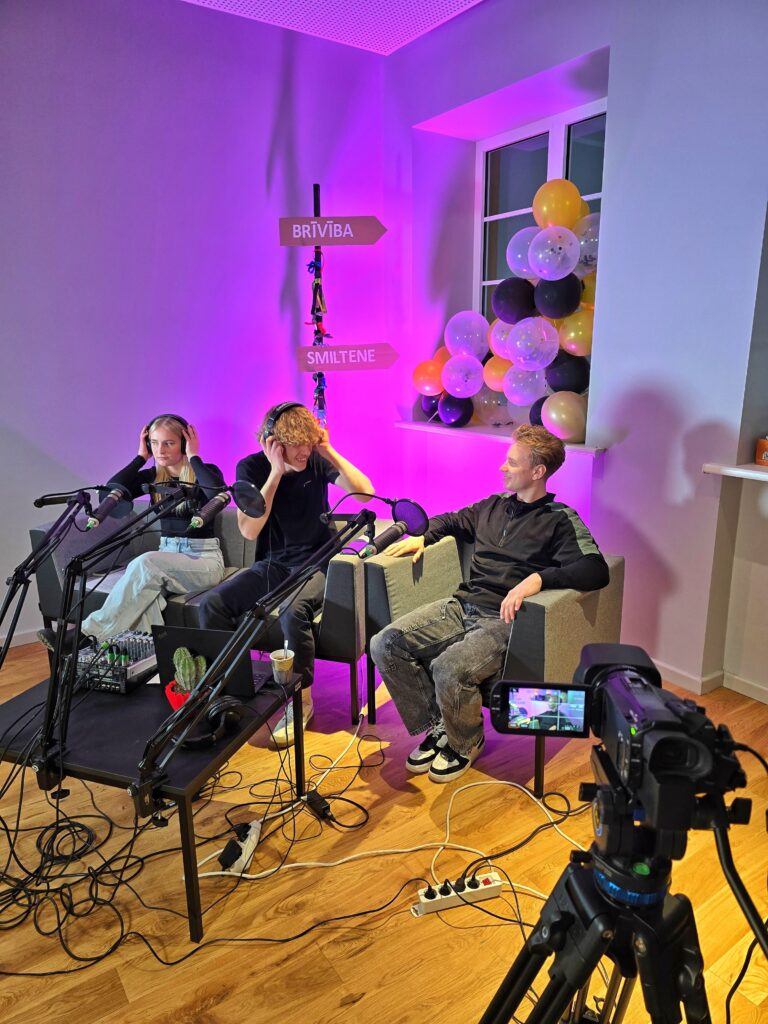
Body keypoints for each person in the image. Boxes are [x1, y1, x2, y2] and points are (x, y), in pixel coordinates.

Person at [370, 424, 609, 784]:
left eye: (512, 462)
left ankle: (465, 742)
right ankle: (440, 726)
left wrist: (539, 579)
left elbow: (596, 570)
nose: (502, 467)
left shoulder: (559, 520)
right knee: (385, 644)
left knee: (449, 667)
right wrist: (423, 537)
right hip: (462, 605)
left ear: (537, 471)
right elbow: (451, 520)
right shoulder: (492, 506)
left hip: (502, 619)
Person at [198, 402, 374, 747]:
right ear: (273, 442)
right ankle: (232, 695)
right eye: (296, 445)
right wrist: (276, 473)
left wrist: (328, 450)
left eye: (309, 442)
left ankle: (300, 702)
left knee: (294, 611)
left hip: (319, 561)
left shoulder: (316, 460)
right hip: (273, 564)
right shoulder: (251, 467)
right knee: (213, 605)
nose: (304, 451)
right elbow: (249, 530)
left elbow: (365, 492)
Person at [38, 414, 226, 651]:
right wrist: (140, 457)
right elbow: (109, 492)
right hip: (166, 559)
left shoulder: (205, 472)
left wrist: (194, 455)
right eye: (154, 443)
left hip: (203, 561)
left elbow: (217, 494)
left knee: (145, 563)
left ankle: (84, 635)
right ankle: (142, 662)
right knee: (144, 603)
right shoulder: (152, 477)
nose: (160, 450)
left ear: (184, 443)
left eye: (169, 443)